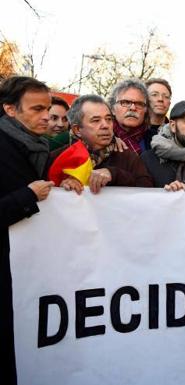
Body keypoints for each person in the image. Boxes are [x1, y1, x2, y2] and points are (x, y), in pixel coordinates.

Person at [0, 76, 55, 385]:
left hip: (29, 272)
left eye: (47, 108)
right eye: (37, 109)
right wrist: (28, 196)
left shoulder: (40, 146)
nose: (46, 116)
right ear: (10, 109)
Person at [53, 95, 154, 194]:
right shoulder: (58, 157)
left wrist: (114, 174)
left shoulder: (128, 156)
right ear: (78, 130)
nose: (105, 125)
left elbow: (148, 191)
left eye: (109, 119)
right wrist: (62, 189)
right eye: (96, 120)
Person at [109, 79, 151, 154]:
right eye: (125, 102)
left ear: (146, 110)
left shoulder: (156, 140)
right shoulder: (101, 138)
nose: (133, 108)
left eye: (139, 104)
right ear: (112, 109)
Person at [145, 78, 172, 148]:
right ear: (145, 99)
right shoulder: (134, 133)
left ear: (169, 103)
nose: (160, 99)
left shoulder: (176, 132)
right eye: (154, 95)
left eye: (166, 96)